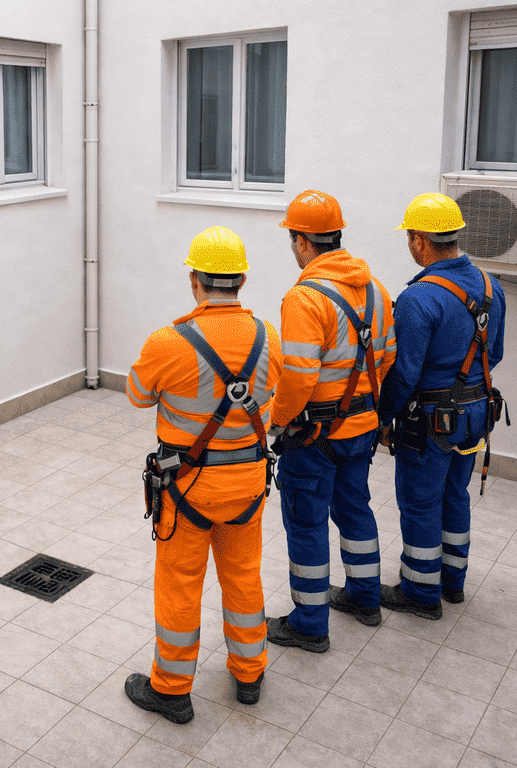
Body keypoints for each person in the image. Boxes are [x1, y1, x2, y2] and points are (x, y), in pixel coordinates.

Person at [124, 225, 283, 724]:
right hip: (248, 487)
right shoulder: (269, 337)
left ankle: (171, 690)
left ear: (195, 279)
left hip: (186, 490)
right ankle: (250, 673)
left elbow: (137, 394)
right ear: (241, 280)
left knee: (179, 586)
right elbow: (276, 394)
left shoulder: (167, 342)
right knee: (243, 577)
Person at [266, 189, 396, 653]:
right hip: (361, 430)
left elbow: (299, 377)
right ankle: (365, 599)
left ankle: (309, 624)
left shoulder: (305, 298)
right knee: (355, 509)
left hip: (314, 437)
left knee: (307, 525)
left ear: (302, 242)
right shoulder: (376, 289)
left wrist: (276, 422)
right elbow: (388, 358)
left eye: (292, 239)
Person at [377, 193, 506, 619]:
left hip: (430, 422)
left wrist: (383, 417)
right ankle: (452, 581)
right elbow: (495, 354)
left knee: (420, 503)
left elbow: (404, 373)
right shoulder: (491, 287)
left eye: (409, 238)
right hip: (476, 417)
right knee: (454, 495)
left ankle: (420, 591)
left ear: (419, 240)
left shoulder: (418, 298)